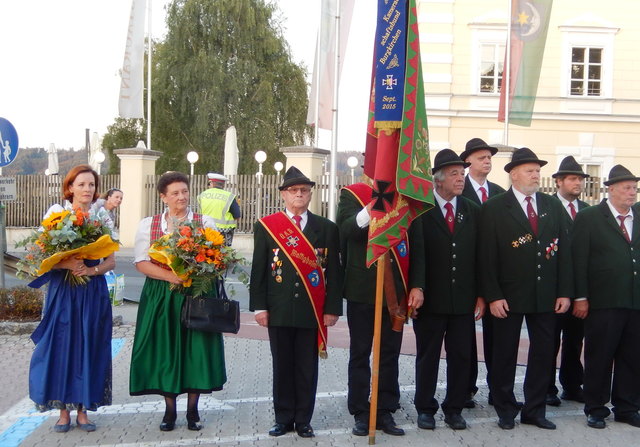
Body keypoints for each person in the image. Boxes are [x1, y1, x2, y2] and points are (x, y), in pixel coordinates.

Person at [479, 148, 572, 430]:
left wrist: (565, 291)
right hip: (508, 296)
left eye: (538, 170)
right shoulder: (494, 207)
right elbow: (486, 257)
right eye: (530, 171)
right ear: (513, 174)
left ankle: (535, 409)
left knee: (544, 353)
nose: (535, 175)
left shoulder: (551, 205)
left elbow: (565, 251)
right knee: (505, 354)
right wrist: (493, 295)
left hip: (545, 295)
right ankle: (505, 409)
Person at [129, 171, 226, 432]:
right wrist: (173, 275)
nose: (181, 196)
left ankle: (193, 411)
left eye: (184, 191)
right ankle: (170, 410)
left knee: (196, 349)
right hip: (162, 296)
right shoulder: (148, 224)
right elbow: (141, 262)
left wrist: (192, 274)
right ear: (163, 197)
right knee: (166, 350)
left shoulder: (205, 222)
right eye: (175, 193)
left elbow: (217, 258)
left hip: (195, 294)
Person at [250, 166, 342, 438]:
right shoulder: (268, 227)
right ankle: (283, 418)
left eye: (304, 190)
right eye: (293, 190)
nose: (299, 194)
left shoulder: (326, 228)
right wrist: (260, 306)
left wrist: (332, 308)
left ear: (311, 193)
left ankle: (303, 419)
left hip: (311, 310)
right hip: (278, 308)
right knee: (282, 366)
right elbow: (259, 270)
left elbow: (335, 272)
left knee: (306, 367)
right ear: (283, 195)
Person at [28, 164, 115, 433]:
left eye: (91, 185)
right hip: (63, 289)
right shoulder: (57, 214)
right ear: (70, 188)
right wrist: (66, 265)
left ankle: (84, 410)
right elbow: (38, 256)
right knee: (61, 346)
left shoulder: (103, 217)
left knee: (89, 344)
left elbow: (111, 260)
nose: (87, 189)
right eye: (81, 185)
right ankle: (63, 411)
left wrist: (90, 269)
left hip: (92, 290)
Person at [337, 178, 420, 436]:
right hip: (363, 289)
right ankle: (362, 411)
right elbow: (347, 230)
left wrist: (417, 285)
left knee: (389, 354)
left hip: (395, 289)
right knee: (360, 353)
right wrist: (374, 205)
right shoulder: (353, 194)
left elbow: (417, 246)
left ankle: (384, 409)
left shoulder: (405, 197)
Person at [409, 149, 482, 431]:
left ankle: (454, 408)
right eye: (454, 173)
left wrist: (481, 294)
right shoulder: (422, 211)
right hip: (431, 298)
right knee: (428, 356)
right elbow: (417, 253)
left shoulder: (472, 211)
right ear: (438, 180)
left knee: (461, 356)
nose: (460, 178)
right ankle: (425, 408)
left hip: (463, 299)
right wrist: (417, 286)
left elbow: (481, 256)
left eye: (462, 173)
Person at [572, 164, 640, 430]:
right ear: (610, 190)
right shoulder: (590, 217)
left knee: (633, 357)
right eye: (626, 188)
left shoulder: (638, 215)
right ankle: (596, 408)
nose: (632, 193)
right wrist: (580, 296)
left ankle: (627, 406)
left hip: (634, 300)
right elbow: (578, 260)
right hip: (603, 301)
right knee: (599, 355)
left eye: (634, 188)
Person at [459, 137, 506, 408]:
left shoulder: (499, 192)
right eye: (481, 157)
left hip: (496, 275)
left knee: (497, 337)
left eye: (489, 157)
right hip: (466, 272)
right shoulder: (458, 189)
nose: (487, 161)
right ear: (467, 163)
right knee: (464, 338)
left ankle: (497, 389)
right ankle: (466, 388)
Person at [546, 156, 590, 407]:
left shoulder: (587, 210)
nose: (578, 183)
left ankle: (572, 385)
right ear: (559, 181)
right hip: (553, 287)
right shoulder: (548, 206)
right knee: (549, 340)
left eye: (581, 179)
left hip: (579, 288)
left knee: (575, 339)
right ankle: (547, 387)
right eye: (572, 178)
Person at [198, 173, 241, 246]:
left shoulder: (202, 195)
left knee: (207, 252)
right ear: (223, 185)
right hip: (224, 231)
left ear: (211, 183)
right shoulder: (229, 196)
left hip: (206, 229)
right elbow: (237, 215)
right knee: (224, 254)